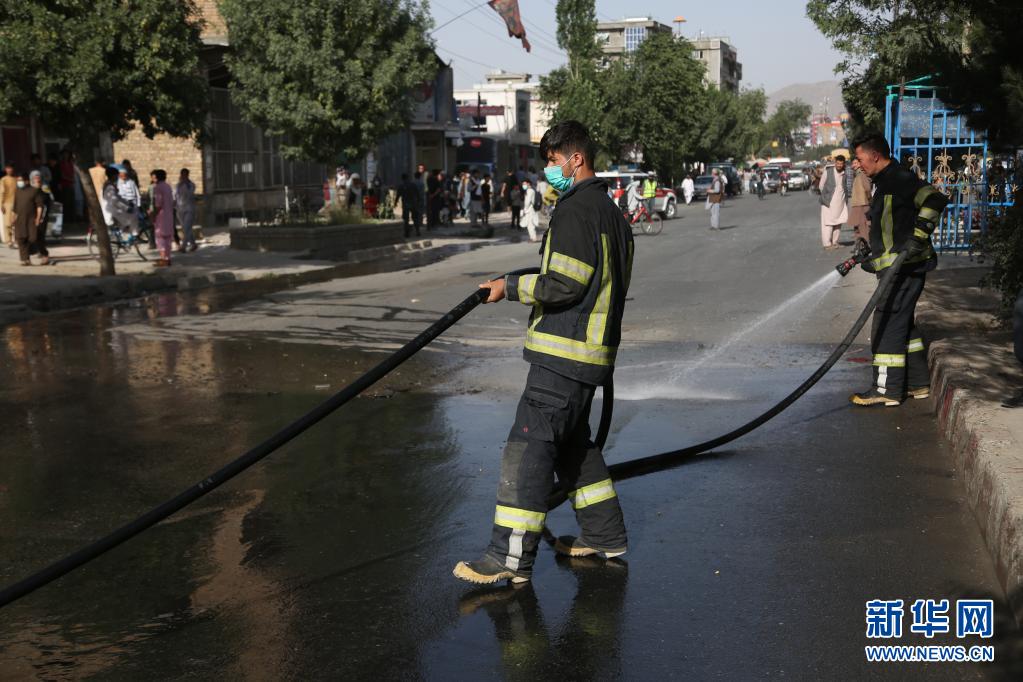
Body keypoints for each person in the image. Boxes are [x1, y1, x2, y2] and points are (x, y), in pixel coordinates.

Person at [454, 120, 633, 585]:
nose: (549, 171)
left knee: (528, 447)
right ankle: (606, 536)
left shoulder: (575, 210)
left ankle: (508, 558)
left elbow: (564, 284)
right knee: (573, 447)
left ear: (576, 159)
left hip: (563, 354)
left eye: (554, 161)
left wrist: (509, 287)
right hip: (590, 357)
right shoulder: (610, 212)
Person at [850, 133, 948, 407]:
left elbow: (935, 200)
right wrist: (872, 255)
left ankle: (886, 389)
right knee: (902, 323)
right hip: (897, 268)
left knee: (886, 324)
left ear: (875, 155)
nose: (858, 164)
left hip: (905, 268)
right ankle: (917, 383)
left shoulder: (899, 179)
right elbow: (892, 227)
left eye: (860, 158)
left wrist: (919, 235)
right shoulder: (884, 182)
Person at [12, 172, 46, 266]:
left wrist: (38, 218)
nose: (19, 182)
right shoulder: (17, 191)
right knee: (21, 239)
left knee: (33, 238)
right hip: (20, 220)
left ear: (27, 181)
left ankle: (39, 253)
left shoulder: (34, 191)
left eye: (21, 180)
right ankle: (25, 259)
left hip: (31, 219)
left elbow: (39, 206)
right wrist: (13, 218)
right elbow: (15, 207)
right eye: (18, 180)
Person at [817, 155, 848, 250]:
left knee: (838, 222)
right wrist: (827, 196)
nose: (839, 165)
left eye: (841, 164)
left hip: (841, 203)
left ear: (843, 164)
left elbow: (845, 187)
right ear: (835, 163)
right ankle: (827, 244)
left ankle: (835, 242)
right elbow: (821, 186)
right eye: (837, 163)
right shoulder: (828, 171)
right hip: (828, 203)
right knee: (828, 223)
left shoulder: (845, 173)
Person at [150, 169, 175, 267]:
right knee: (168, 238)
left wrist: (153, 214)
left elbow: (158, 204)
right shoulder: (168, 186)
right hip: (169, 215)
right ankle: (168, 258)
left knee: (160, 238)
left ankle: (163, 258)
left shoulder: (158, 188)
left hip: (161, 216)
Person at [848, 157, 873, 242]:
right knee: (859, 226)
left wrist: (869, 199)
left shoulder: (861, 174)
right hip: (858, 203)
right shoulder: (857, 173)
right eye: (853, 163)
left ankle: (866, 244)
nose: (854, 165)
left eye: (856, 163)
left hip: (862, 204)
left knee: (862, 226)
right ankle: (863, 244)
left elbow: (867, 188)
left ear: (860, 164)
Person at [175, 168, 198, 252]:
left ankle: (183, 246)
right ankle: (193, 244)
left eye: (185, 175)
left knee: (187, 227)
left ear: (188, 175)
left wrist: (186, 184)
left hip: (189, 208)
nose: (183, 176)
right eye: (182, 175)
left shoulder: (191, 185)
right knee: (185, 228)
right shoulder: (178, 185)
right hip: (180, 209)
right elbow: (176, 196)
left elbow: (190, 194)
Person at [116, 166, 141, 236]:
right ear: (119, 175)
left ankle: (135, 234)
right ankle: (121, 234)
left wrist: (138, 204)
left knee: (134, 220)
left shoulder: (131, 182)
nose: (123, 177)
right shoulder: (117, 183)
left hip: (133, 202)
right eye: (121, 175)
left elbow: (137, 193)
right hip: (123, 204)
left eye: (124, 175)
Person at [399, 172, 423, 237]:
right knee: (415, 218)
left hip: (406, 204)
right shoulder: (413, 184)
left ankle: (407, 233)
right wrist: (418, 201)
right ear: (408, 178)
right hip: (413, 203)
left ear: (402, 179)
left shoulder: (401, 185)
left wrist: (395, 203)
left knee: (406, 219)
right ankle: (417, 231)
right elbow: (417, 193)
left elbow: (398, 195)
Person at [1, 163, 18, 247]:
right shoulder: (3, 180)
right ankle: (9, 240)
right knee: (7, 223)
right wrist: (1, 204)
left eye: (11, 168)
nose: (9, 170)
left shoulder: (16, 179)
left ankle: (17, 239)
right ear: (5, 169)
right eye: (8, 168)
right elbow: (1, 192)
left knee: (16, 222)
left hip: (17, 203)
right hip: (7, 203)